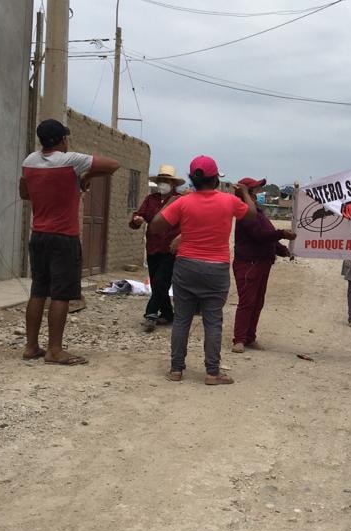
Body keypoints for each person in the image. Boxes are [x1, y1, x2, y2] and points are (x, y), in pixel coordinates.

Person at [149, 155, 257, 385]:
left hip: (186, 265)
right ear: (215, 178)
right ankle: (212, 372)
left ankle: (176, 370)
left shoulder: (183, 202)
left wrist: (170, 202)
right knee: (213, 321)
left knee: (182, 320)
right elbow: (251, 215)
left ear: (192, 179)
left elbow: (155, 226)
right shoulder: (228, 201)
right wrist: (245, 193)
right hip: (216, 268)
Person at [19, 118, 119, 365]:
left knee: (38, 291)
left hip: (38, 235)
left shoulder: (29, 161)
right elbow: (113, 165)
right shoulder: (71, 160)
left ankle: (31, 346)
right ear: (63, 140)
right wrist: (87, 174)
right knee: (61, 294)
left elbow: (24, 193)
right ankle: (54, 350)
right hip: (64, 237)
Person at [231, 176, 296, 353]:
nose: (259, 192)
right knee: (247, 302)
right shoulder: (245, 213)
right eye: (256, 190)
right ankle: (239, 339)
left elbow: (268, 237)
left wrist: (283, 250)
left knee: (257, 302)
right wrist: (281, 233)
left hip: (261, 263)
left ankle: (249, 337)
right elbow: (260, 235)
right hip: (249, 263)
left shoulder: (258, 212)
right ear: (247, 193)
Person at [130, 164, 185, 332]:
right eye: (161, 180)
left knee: (162, 281)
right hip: (153, 247)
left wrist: (180, 239)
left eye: (166, 181)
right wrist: (137, 220)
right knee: (156, 283)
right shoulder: (150, 200)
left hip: (170, 249)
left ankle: (151, 314)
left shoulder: (180, 200)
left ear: (173, 183)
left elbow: (188, 222)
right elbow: (138, 216)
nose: (163, 183)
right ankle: (168, 314)